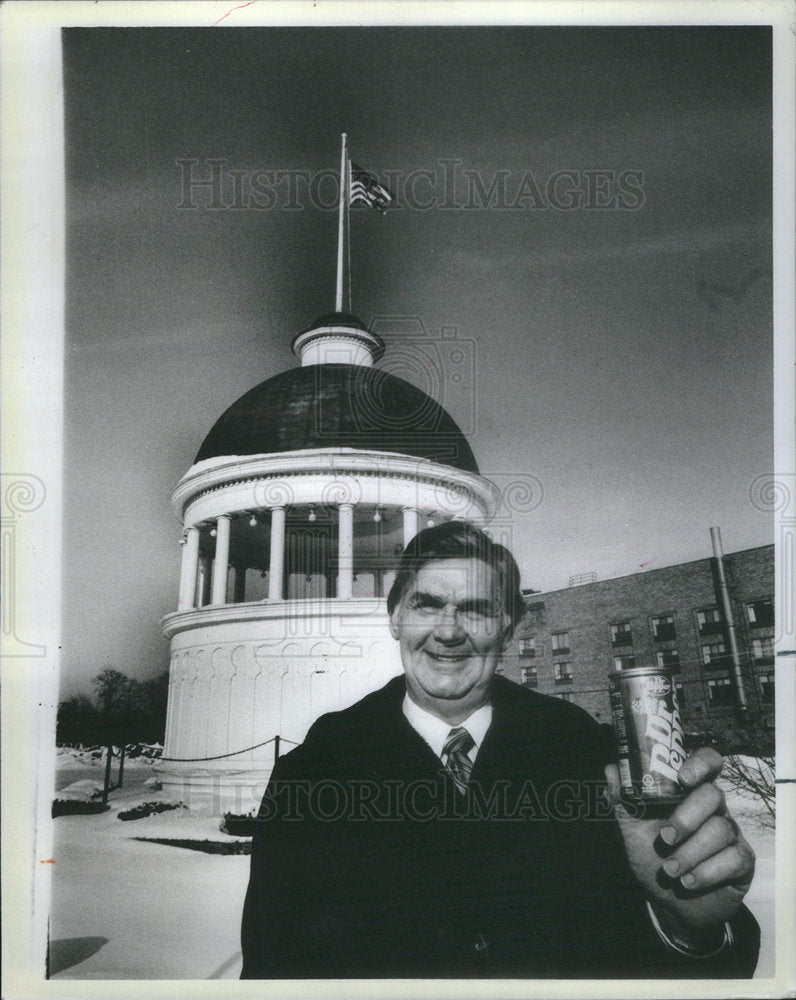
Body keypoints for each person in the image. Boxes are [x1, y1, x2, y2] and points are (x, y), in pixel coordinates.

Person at [241, 521, 759, 978]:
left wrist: (686, 927)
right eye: (427, 604)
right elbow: (272, 973)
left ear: (508, 627)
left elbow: (684, 968)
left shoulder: (591, 757)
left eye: (476, 610)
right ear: (396, 615)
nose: (449, 631)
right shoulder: (312, 772)